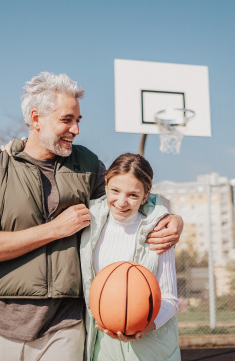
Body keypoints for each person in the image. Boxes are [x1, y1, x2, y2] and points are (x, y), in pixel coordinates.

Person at [0, 71, 184, 361]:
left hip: (65, 324)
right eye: (67, 120)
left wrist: (173, 218)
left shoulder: (87, 165)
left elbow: (128, 193)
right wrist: (55, 229)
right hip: (1, 324)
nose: (76, 129)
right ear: (36, 118)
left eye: (78, 120)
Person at [80, 153, 181, 361]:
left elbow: (170, 299)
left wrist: (145, 327)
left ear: (146, 196)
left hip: (150, 344)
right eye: (115, 190)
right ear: (106, 185)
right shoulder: (87, 224)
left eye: (133, 195)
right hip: (102, 343)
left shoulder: (160, 231)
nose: (122, 202)